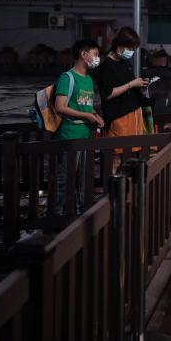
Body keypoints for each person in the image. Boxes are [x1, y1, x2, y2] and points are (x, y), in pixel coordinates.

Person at [53, 39, 104, 214]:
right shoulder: (67, 78)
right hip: (70, 136)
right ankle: (58, 215)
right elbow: (60, 107)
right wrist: (87, 116)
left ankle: (81, 212)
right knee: (65, 178)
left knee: (84, 179)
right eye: (95, 54)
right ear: (84, 54)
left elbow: (86, 105)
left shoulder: (88, 79)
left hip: (86, 136)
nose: (97, 58)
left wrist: (95, 115)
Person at [97, 27, 149, 173]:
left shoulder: (125, 62)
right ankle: (112, 186)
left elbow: (129, 86)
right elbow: (107, 94)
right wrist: (131, 84)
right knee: (117, 159)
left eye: (133, 49)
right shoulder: (107, 66)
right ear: (119, 45)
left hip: (133, 116)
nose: (131, 52)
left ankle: (127, 186)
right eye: (130, 48)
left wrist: (141, 85)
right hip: (119, 118)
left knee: (130, 158)